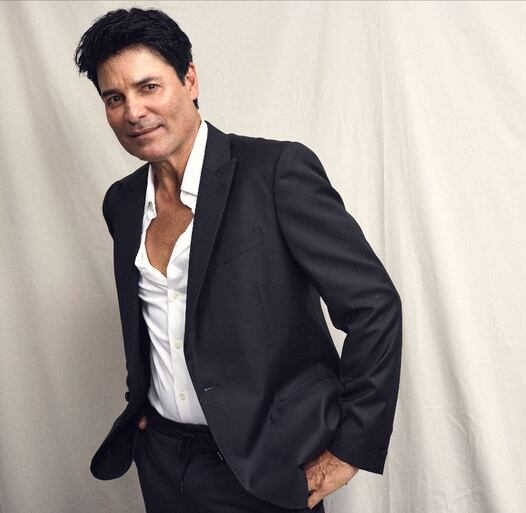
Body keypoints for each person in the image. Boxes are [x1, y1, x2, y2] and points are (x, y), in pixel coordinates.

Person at [75, 7, 402, 513]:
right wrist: (143, 403)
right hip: (161, 457)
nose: (133, 112)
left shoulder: (274, 173)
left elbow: (374, 307)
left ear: (189, 79)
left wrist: (349, 449)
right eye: (114, 98)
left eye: (148, 87)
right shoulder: (122, 201)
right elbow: (153, 324)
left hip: (263, 464)